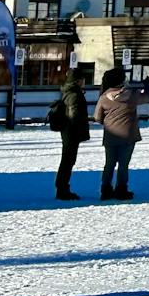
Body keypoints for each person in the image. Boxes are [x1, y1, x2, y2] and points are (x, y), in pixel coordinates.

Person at [93, 67, 149, 200]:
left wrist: (108, 122)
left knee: (109, 163)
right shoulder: (131, 94)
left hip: (111, 135)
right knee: (123, 164)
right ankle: (121, 189)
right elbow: (147, 97)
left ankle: (105, 189)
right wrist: (147, 85)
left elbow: (97, 117)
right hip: (128, 135)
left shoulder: (104, 97)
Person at [53, 67, 90, 200]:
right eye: (83, 79)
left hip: (68, 131)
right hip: (71, 132)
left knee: (67, 160)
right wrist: (78, 131)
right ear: (78, 81)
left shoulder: (69, 92)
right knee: (68, 160)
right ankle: (62, 189)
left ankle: (62, 187)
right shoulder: (75, 94)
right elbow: (74, 116)